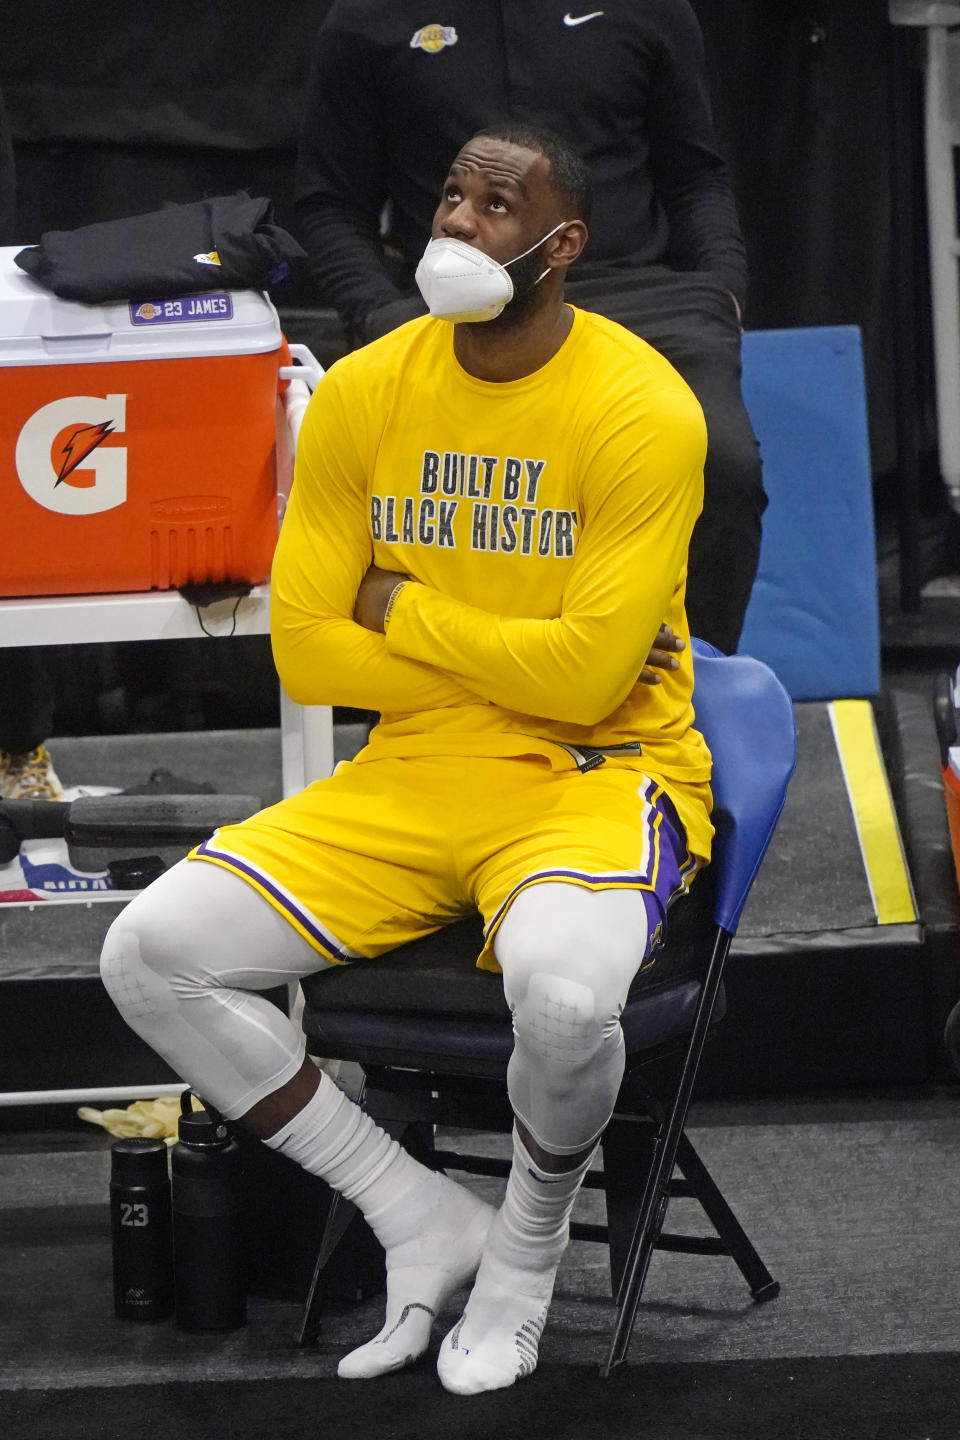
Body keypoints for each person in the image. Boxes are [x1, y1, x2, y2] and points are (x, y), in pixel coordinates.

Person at [101, 123, 713, 1394]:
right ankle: (414, 1208)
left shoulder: (643, 406)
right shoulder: (369, 387)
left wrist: (403, 607)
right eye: (450, 195)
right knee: (150, 957)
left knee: (562, 999)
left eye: (498, 204)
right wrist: (509, 652)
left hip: (595, 775)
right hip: (417, 766)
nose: (461, 223)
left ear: (564, 244)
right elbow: (308, 657)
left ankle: (528, 1248)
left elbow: (593, 683)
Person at [293, 0, 765, 656]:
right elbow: (331, 204)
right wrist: (379, 321)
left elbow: (695, 178)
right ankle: (474, 704)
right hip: (456, 299)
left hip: (641, 295)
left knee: (724, 465)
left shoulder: (653, 8)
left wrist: (722, 293)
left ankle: (691, 702)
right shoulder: (367, 18)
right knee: (459, 504)